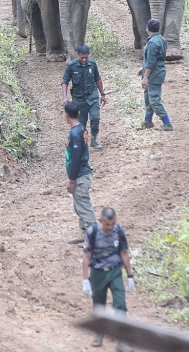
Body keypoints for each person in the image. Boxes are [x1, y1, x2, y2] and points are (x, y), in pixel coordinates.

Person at [82, 207, 135, 351]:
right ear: (100, 221)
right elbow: (86, 256)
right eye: (107, 225)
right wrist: (85, 279)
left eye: (112, 224)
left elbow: (123, 253)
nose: (110, 227)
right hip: (98, 273)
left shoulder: (118, 231)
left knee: (120, 304)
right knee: (99, 305)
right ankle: (99, 334)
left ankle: (122, 340)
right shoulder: (92, 232)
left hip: (115, 271)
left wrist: (130, 275)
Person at [62, 44, 107, 149]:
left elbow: (98, 79)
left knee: (95, 117)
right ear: (77, 55)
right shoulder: (71, 66)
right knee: (81, 123)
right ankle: (83, 141)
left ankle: (94, 140)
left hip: (92, 96)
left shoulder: (92, 64)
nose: (84, 59)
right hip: (79, 99)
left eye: (86, 57)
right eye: (82, 57)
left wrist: (102, 94)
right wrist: (65, 97)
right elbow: (65, 82)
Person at [65, 101, 96, 239]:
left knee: (83, 206)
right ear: (78, 113)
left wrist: (71, 179)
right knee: (79, 205)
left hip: (80, 175)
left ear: (66, 115)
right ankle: (84, 233)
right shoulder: (81, 128)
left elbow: (76, 157)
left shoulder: (76, 133)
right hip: (83, 173)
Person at [139, 18, 171, 130]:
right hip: (157, 72)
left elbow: (151, 63)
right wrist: (142, 68)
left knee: (154, 100)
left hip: (154, 75)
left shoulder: (152, 43)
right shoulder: (161, 39)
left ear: (147, 29)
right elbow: (154, 59)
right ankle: (148, 121)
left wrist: (145, 77)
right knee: (148, 98)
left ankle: (167, 122)